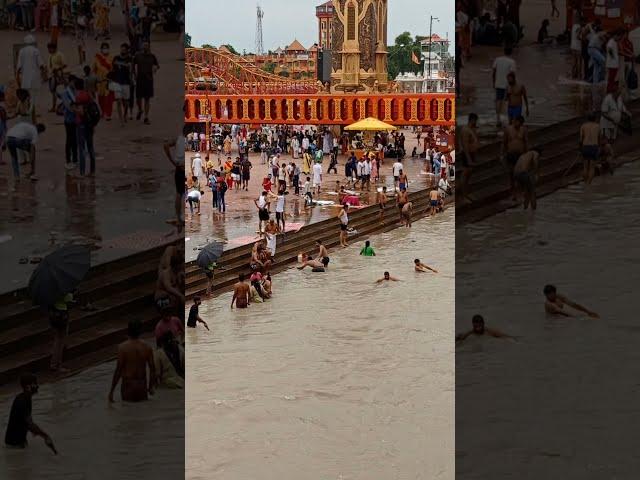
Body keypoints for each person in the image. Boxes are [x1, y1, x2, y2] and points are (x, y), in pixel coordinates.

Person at [4, 374, 57, 453]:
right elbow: (30, 424)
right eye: (35, 384)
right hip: (15, 445)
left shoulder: (24, 397)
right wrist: (45, 436)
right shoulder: (23, 401)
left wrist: (35, 431)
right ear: (28, 386)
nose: (37, 386)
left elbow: (25, 421)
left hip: (16, 442)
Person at [109, 320, 155, 403]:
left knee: (127, 411)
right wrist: (150, 387)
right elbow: (152, 369)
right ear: (140, 331)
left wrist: (111, 391)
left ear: (128, 331)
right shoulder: (147, 347)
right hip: (142, 386)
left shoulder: (122, 348)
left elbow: (118, 371)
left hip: (128, 386)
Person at [16, 35, 45, 117]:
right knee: (34, 97)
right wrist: (44, 74)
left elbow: (19, 66)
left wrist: (17, 76)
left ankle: (25, 112)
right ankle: (32, 113)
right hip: (35, 78)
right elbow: (41, 65)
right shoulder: (36, 51)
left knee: (25, 97)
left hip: (25, 78)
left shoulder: (21, 51)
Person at [503, 115, 529, 195]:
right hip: (510, 154)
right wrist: (502, 154)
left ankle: (520, 188)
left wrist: (527, 154)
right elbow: (504, 142)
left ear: (521, 124)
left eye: (518, 123)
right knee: (511, 172)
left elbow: (526, 142)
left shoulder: (523, 130)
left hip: (520, 154)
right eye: (515, 122)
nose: (516, 124)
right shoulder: (508, 129)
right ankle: (512, 188)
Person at [492, 46, 516, 127]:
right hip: (507, 85)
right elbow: (512, 75)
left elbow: (494, 72)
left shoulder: (497, 59)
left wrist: (494, 82)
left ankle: (498, 119)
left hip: (498, 84)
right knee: (509, 102)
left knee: (498, 101)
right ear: (511, 52)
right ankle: (510, 119)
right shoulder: (512, 62)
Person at [111, 43, 133, 124]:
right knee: (118, 101)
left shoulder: (129, 59)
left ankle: (125, 114)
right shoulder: (116, 58)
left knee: (126, 102)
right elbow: (113, 69)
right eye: (121, 49)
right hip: (117, 82)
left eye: (124, 49)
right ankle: (121, 119)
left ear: (127, 50)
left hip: (126, 82)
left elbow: (130, 68)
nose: (122, 51)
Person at [93, 42, 114, 121]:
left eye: (106, 48)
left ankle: (108, 114)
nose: (105, 49)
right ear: (101, 49)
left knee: (108, 99)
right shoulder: (97, 58)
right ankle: (102, 112)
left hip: (108, 81)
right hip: (100, 82)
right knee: (101, 98)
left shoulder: (112, 58)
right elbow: (94, 70)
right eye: (103, 48)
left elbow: (114, 70)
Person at [460, 113, 479, 200]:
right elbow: (465, 145)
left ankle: (466, 193)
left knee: (469, 174)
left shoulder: (471, 129)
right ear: (472, 120)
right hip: (467, 155)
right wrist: (469, 159)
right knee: (465, 175)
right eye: (475, 121)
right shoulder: (465, 130)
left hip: (472, 154)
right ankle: (464, 195)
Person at [579, 113, 601, 184]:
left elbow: (581, 139)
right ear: (595, 119)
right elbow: (599, 138)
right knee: (592, 167)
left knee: (585, 167)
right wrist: (598, 148)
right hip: (594, 147)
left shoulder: (583, 126)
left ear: (587, 118)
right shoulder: (598, 126)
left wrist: (580, 149)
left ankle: (585, 182)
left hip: (585, 146)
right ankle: (588, 183)